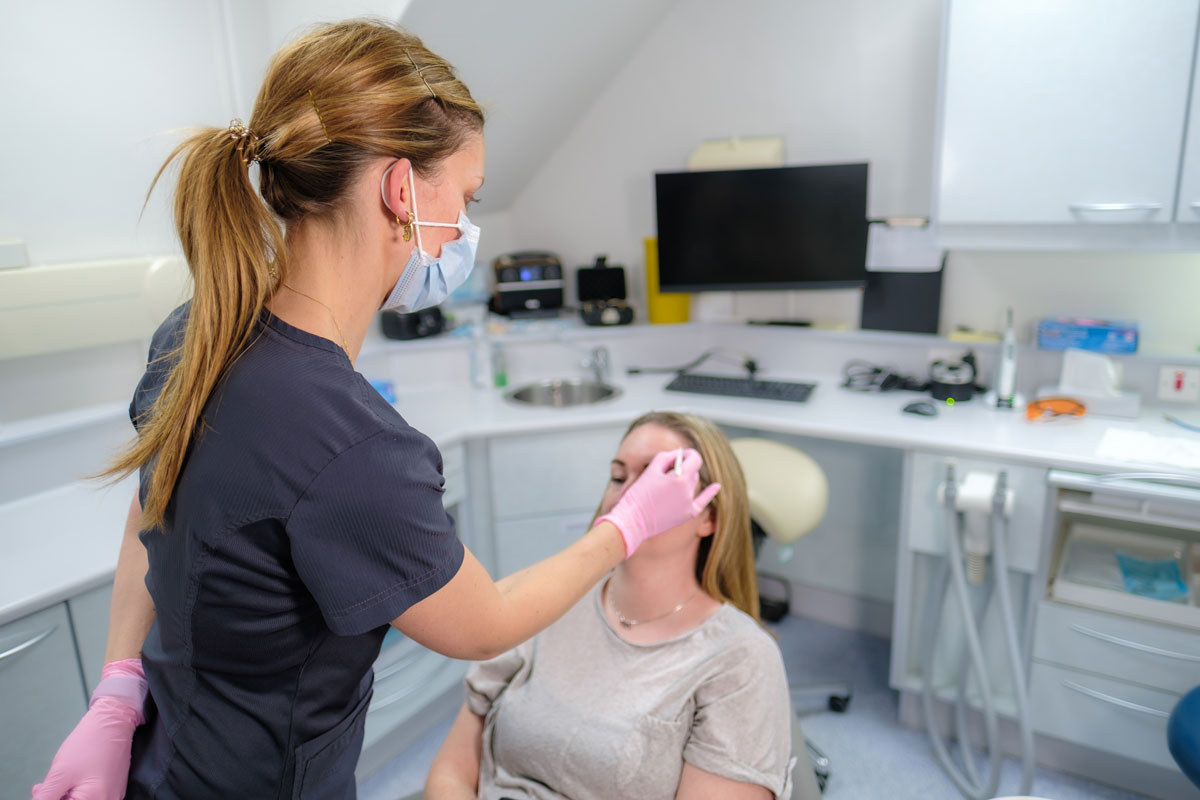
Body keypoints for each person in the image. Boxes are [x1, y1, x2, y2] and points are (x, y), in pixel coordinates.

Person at [31, 21, 719, 800]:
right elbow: (483, 623)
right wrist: (625, 525)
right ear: (401, 191)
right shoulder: (353, 446)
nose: (463, 228)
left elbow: (149, 511)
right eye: (464, 197)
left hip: (164, 755)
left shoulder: (195, 329)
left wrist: (118, 692)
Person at [425, 411, 807, 800]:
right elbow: (451, 774)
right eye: (620, 477)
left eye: (658, 482)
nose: (633, 498)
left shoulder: (740, 658)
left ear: (708, 515)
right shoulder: (548, 604)